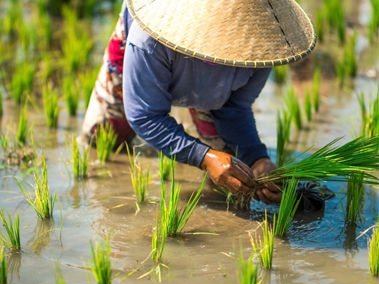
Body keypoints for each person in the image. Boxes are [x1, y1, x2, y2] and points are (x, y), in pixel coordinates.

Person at [81, 0, 316, 204]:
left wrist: (257, 158)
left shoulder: (265, 47)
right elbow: (144, 114)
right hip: (146, 55)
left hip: (215, 93)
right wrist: (203, 156)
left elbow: (233, 109)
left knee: (234, 175)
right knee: (100, 142)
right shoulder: (147, 37)